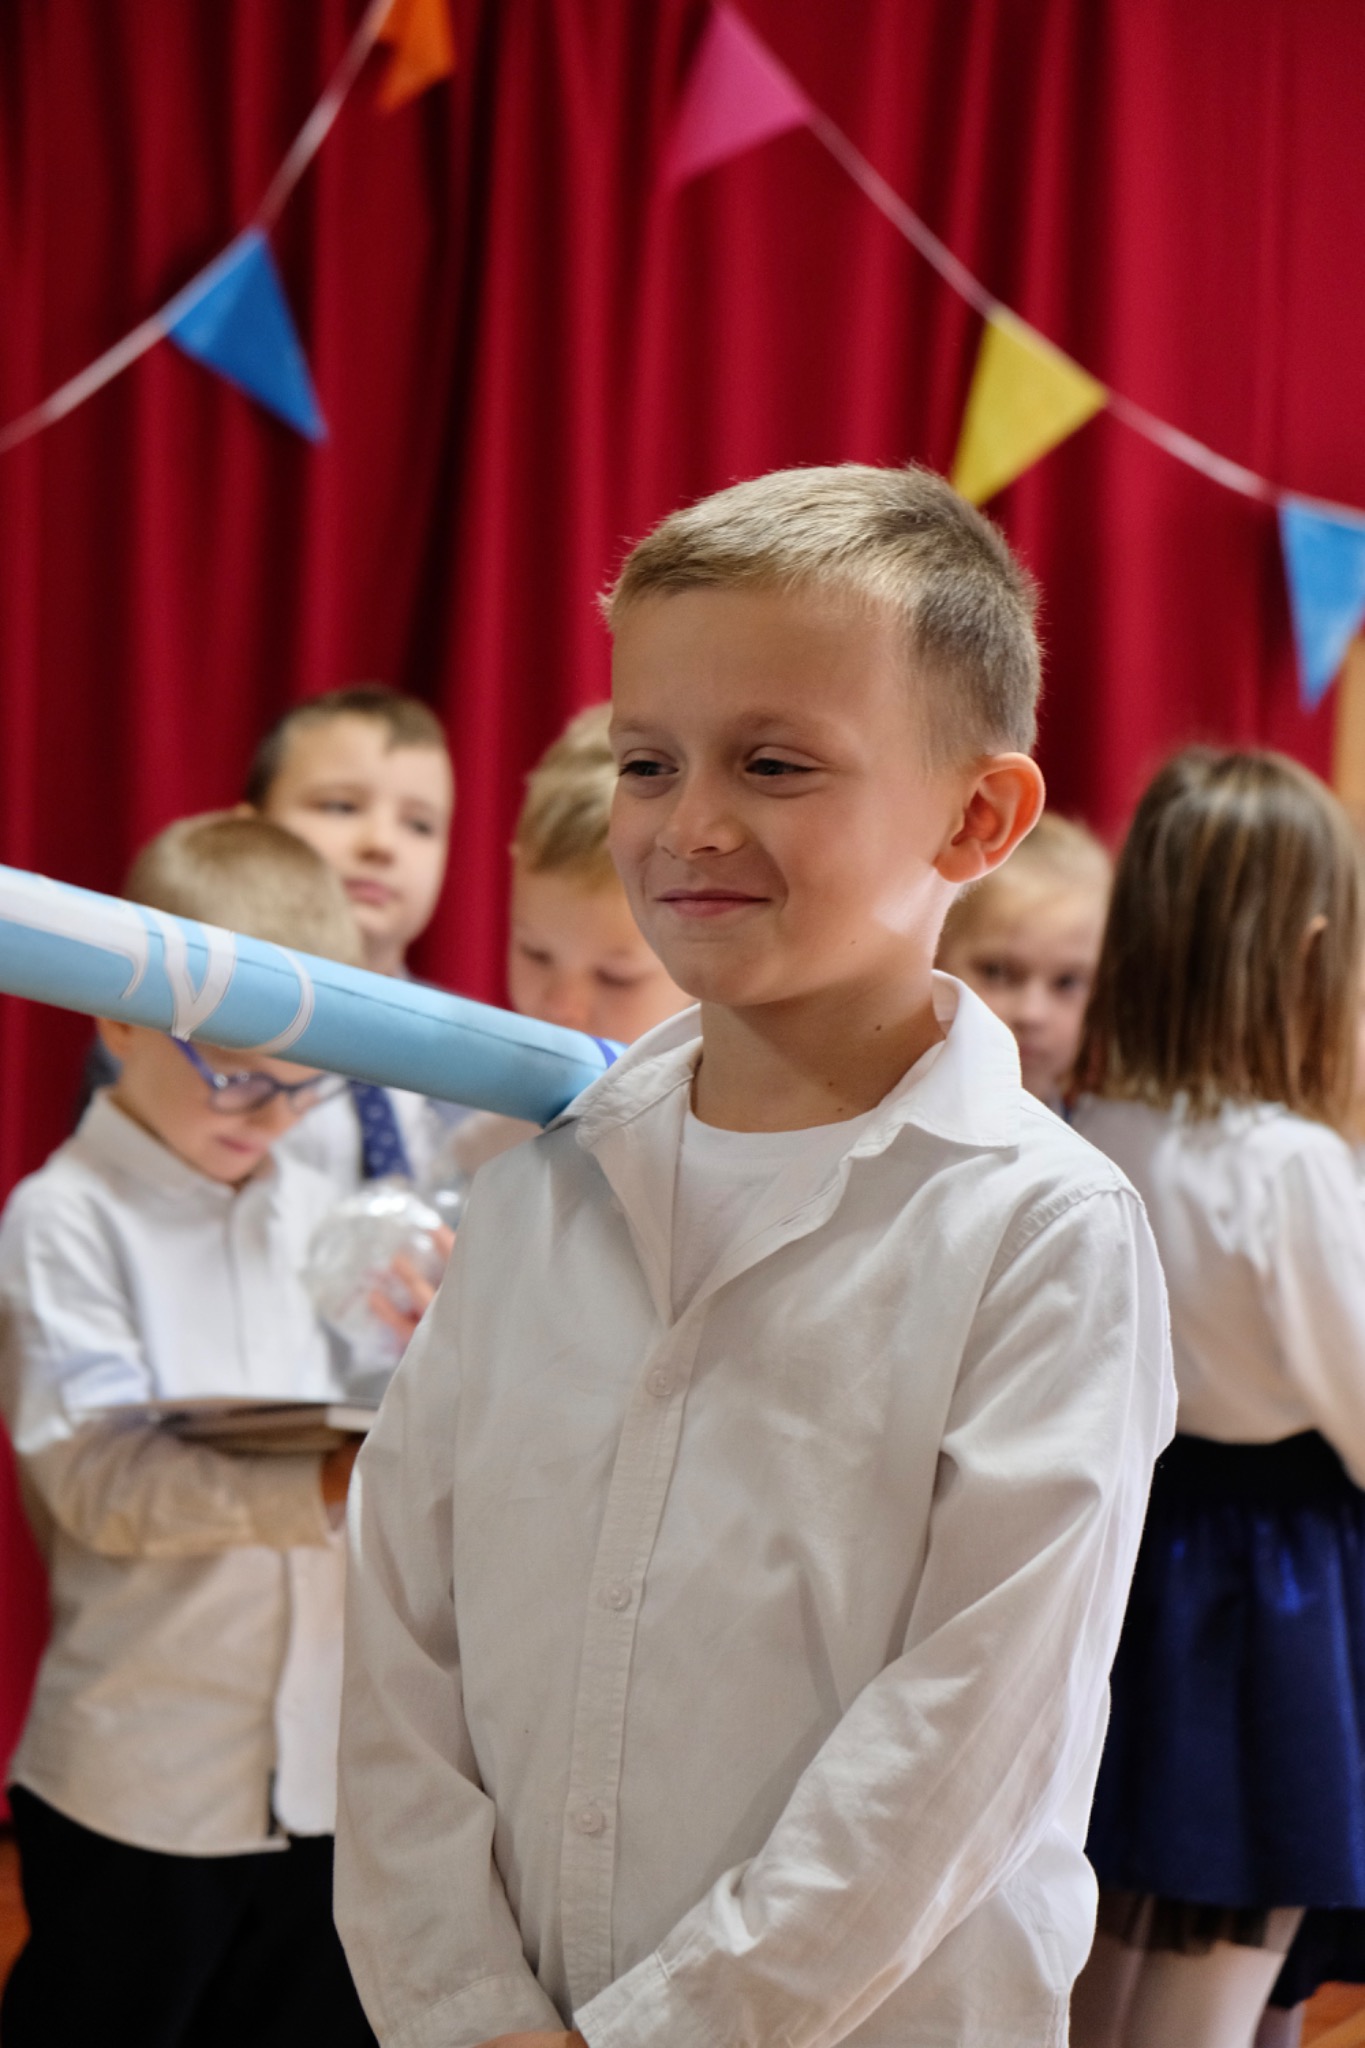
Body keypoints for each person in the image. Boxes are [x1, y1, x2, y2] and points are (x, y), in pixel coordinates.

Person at [336, 462, 1175, 2048]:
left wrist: (646, 2036)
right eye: (646, 761)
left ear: (978, 816)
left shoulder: (1042, 1233)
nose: (688, 823)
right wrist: (467, 2011)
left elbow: (961, 1742)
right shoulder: (536, 1192)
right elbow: (400, 1642)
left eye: (776, 763)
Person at [0, 813, 376, 2047]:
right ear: (114, 1016)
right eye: (232, 1066)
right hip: (137, 1786)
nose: (269, 1109)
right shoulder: (63, 1218)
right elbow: (101, 1482)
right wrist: (323, 1482)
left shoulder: (330, 1210)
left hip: (322, 1789)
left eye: (302, 1074)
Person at [1066, 749, 1365, 2048]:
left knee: (1121, 1913)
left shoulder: (1084, 1120)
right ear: (1310, 952)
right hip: (1269, 1585)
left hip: (1135, 1557)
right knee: (1235, 1931)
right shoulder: (1285, 1163)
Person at [440, 703, 693, 1179]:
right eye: (535, 953)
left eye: (615, 977)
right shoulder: (483, 1156)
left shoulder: (735, 1152)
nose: (563, 1008)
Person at [246, 683, 458, 1189]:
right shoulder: (181, 1019)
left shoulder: (474, 1054)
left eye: (420, 825)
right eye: (341, 807)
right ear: (247, 832)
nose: (382, 844)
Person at [936, 810, 1111, 1108]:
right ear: (934, 956)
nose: (1032, 1014)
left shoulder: (1105, 1136)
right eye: (997, 973)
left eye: (1067, 982)